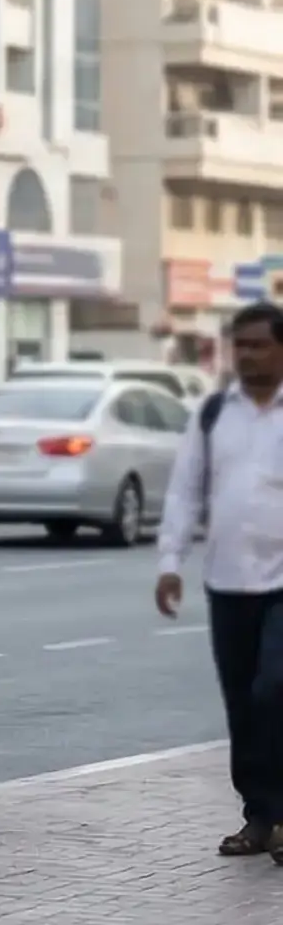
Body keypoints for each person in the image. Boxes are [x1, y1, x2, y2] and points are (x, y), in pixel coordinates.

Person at [156, 300, 283, 861]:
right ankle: (259, 817)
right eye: (241, 345)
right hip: (228, 581)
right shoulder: (213, 415)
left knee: (274, 689)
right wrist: (170, 561)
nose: (248, 355)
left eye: (260, 345)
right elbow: (186, 490)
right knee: (242, 703)